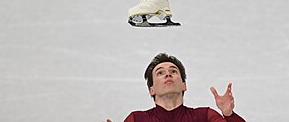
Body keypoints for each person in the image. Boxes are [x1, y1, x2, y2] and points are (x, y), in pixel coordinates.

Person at [104, 53, 246, 122]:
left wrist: (229, 115)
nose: (168, 74)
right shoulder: (137, 119)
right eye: (160, 73)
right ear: (151, 89)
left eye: (173, 71)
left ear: (184, 85)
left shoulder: (204, 116)